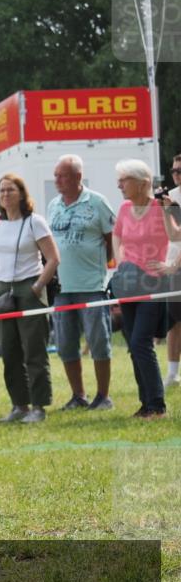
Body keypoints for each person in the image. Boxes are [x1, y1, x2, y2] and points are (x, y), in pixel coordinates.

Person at [0, 174, 60, 424]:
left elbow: (53, 258)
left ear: (21, 194)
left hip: (29, 287)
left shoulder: (34, 222)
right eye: (1, 190)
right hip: (3, 290)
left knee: (34, 351)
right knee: (9, 350)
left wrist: (38, 286)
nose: (5, 194)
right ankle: (19, 405)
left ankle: (38, 406)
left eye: (10, 190)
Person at [112, 158, 181, 419]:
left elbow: (175, 236)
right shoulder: (124, 208)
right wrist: (120, 261)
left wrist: (172, 266)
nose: (119, 185)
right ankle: (146, 404)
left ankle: (157, 406)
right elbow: (117, 235)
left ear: (143, 183)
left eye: (124, 180)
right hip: (128, 283)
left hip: (153, 283)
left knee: (141, 341)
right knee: (134, 344)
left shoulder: (159, 206)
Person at [47, 154, 117, 411]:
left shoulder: (97, 202)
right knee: (66, 344)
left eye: (62, 176)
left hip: (91, 286)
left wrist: (100, 265)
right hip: (61, 288)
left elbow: (112, 240)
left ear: (78, 177)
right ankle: (78, 395)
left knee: (99, 342)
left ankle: (103, 396)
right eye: (55, 176)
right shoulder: (53, 205)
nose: (57, 180)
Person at [164, 153, 181, 387]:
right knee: (174, 321)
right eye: (174, 171)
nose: (176, 174)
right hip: (173, 265)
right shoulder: (171, 196)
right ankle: (172, 374)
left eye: (180, 171)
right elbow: (170, 234)